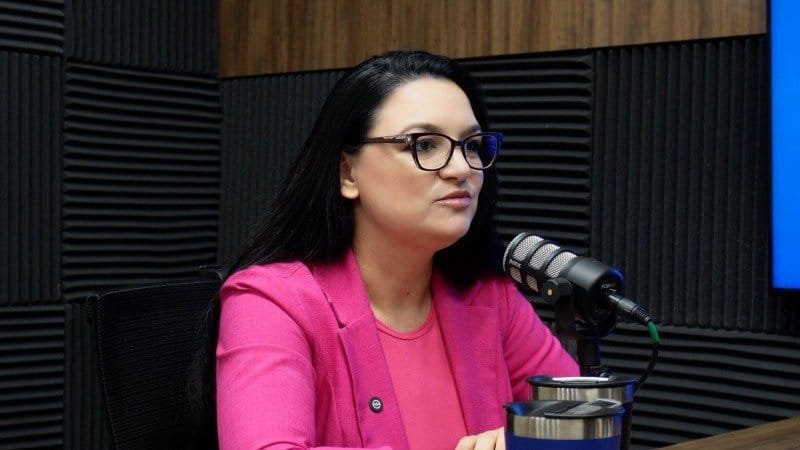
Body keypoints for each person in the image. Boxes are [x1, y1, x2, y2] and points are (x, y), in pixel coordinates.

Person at [214, 50, 579, 450]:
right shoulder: (270, 302)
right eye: (424, 145)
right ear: (348, 172)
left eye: (472, 146)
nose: (462, 169)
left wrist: (529, 440)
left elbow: (581, 419)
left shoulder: (490, 296)